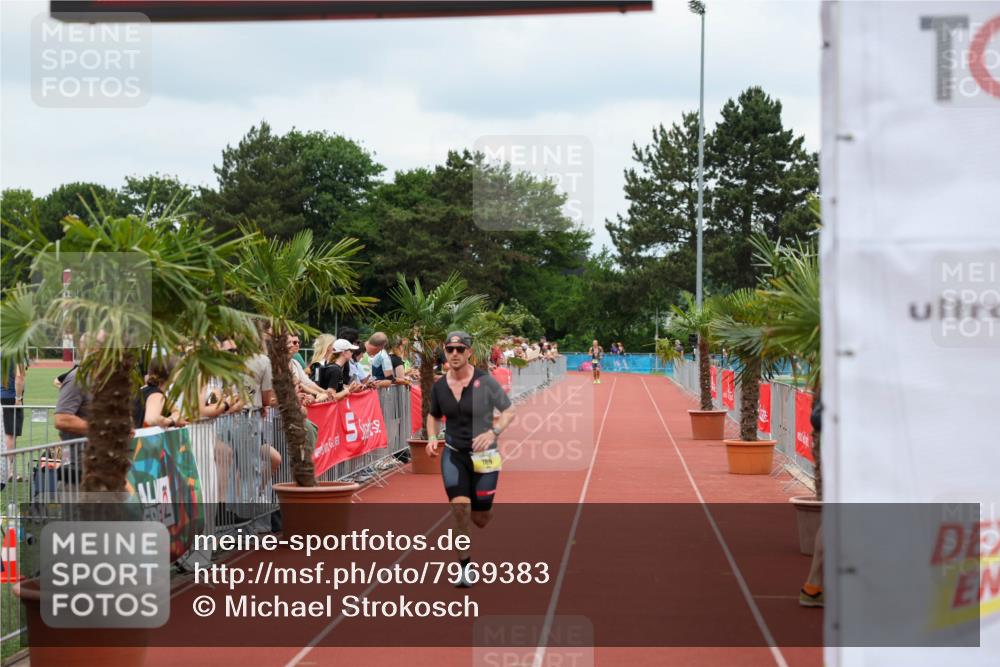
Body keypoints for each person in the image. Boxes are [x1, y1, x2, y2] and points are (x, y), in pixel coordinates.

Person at [425, 331, 516, 588]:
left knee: (480, 518)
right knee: (460, 508)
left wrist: (493, 432)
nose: (454, 353)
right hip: (454, 454)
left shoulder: (485, 382)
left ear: (469, 352)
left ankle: (484, 507)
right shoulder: (440, 386)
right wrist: (432, 437)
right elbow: (433, 415)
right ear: (445, 351)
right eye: (450, 348)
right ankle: (464, 567)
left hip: (485, 457)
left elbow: (509, 411)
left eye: (459, 349)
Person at [1, 356, 25, 483]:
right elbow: (19, 376)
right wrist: (18, 398)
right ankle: (8, 471)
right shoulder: (16, 352)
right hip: (10, 397)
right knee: (11, 435)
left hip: (2, 396)